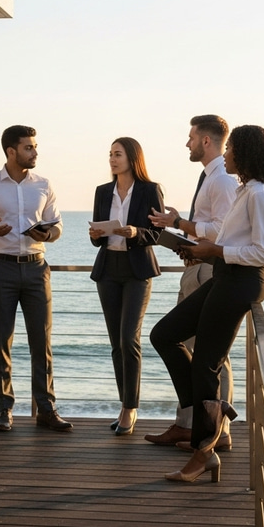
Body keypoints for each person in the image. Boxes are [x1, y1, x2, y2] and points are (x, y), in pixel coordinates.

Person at [149, 125, 264, 483]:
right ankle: (209, 415)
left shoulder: (260, 195)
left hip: (242, 283)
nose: (225, 154)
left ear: (244, 153)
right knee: (164, 335)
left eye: (230, 150)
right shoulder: (245, 191)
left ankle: (204, 451)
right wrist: (201, 251)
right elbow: (232, 242)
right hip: (225, 276)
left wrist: (215, 250)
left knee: (206, 364)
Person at [0, 125, 72, 432]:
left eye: (35, 146)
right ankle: (4, 410)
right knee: (1, 341)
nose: (35, 152)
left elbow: (57, 226)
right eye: (28, 147)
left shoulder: (44, 184)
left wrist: (46, 234)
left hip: (37, 268)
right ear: (11, 151)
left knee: (42, 342)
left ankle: (46, 409)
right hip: (1, 269)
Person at [145, 115, 238, 449]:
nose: (187, 143)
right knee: (188, 346)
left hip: (210, 272)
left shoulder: (222, 180)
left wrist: (179, 223)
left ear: (206, 141)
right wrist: (184, 237)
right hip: (197, 268)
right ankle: (190, 425)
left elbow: (222, 230)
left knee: (211, 355)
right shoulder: (210, 177)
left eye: (191, 137)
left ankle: (217, 433)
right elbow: (209, 226)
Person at [89, 137, 163, 436]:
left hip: (137, 271)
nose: (112, 159)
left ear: (132, 158)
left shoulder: (150, 190)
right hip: (108, 269)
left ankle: (130, 408)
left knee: (129, 339)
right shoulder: (102, 191)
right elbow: (97, 236)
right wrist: (96, 234)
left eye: (117, 154)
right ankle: (124, 404)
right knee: (116, 344)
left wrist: (135, 232)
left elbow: (157, 233)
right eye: (110, 154)